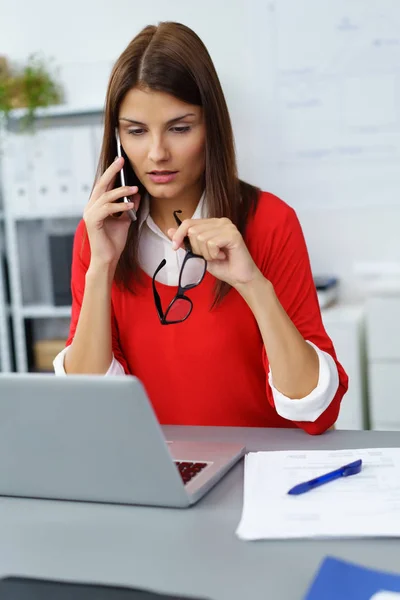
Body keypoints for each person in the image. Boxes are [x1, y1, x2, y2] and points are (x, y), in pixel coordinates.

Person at [53, 21, 348, 435]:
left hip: (258, 477)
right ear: (117, 138)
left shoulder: (270, 222)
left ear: (212, 126)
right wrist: (100, 266)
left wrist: (252, 284)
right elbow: (88, 409)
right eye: (136, 132)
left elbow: (317, 413)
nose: (157, 153)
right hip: (158, 478)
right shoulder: (100, 234)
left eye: (180, 128)